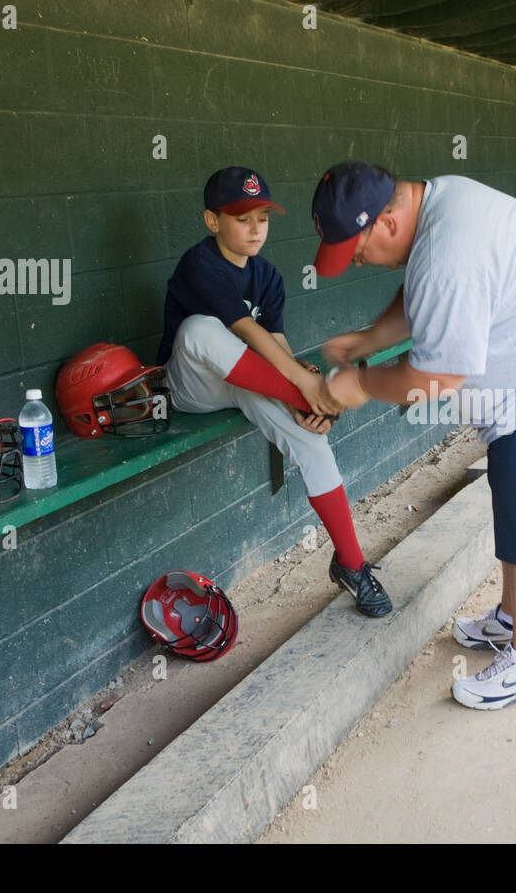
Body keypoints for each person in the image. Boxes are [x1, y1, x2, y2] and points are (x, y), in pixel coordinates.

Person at [310, 161, 516, 710]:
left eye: (357, 252)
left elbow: (434, 379)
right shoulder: (439, 205)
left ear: (386, 223)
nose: (358, 261)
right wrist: (369, 339)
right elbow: (421, 297)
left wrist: (357, 386)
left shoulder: (447, 253)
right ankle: (511, 621)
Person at [156, 166, 392, 617]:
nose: (255, 228)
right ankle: (305, 400)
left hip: (245, 380)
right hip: (191, 385)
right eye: (242, 218)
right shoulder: (199, 263)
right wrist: (306, 388)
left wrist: (303, 382)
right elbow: (245, 330)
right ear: (212, 221)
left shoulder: (267, 275)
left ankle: (352, 563)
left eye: (263, 217)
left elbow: (277, 346)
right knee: (199, 329)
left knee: (312, 437)